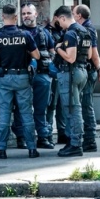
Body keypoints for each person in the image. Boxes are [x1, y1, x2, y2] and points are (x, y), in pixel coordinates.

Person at [0, 4, 41, 159]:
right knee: (26, 114)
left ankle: (1, 149)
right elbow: (37, 56)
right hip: (22, 77)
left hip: (4, 78)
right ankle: (32, 149)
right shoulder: (25, 35)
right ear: (16, 17)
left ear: (2, 16)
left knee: (4, 113)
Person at [12, 3, 56, 150]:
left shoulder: (44, 33)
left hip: (42, 76)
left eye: (28, 13)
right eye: (23, 14)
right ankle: (21, 137)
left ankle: (43, 137)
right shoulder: (17, 33)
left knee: (41, 108)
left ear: (36, 14)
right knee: (20, 108)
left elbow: (52, 51)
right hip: (23, 76)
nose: (26, 16)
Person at [53, 5, 92, 157]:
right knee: (76, 108)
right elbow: (89, 55)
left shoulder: (70, 33)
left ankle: (75, 144)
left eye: (59, 21)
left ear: (63, 17)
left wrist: (58, 48)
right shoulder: (84, 31)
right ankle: (73, 142)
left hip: (70, 73)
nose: (59, 24)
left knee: (72, 110)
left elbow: (70, 57)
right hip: (82, 72)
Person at [73, 4, 100, 153]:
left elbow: (93, 53)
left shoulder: (87, 30)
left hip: (87, 70)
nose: (72, 16)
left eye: (74, 13)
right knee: (86, 105)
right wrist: (99, 68)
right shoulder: (89, 28)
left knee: (86, 105)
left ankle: (90, 140)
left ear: (79, 16)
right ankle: (88, 139)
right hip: (91, 70)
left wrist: (99, 68)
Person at [45, 12, 67, 145]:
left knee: (62, 104)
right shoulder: (46, 32)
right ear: (55, 18)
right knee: (51, 104)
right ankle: (47, 133)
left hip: (61, 70)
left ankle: (62, 133)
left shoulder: (64, 31)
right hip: (52, 71)